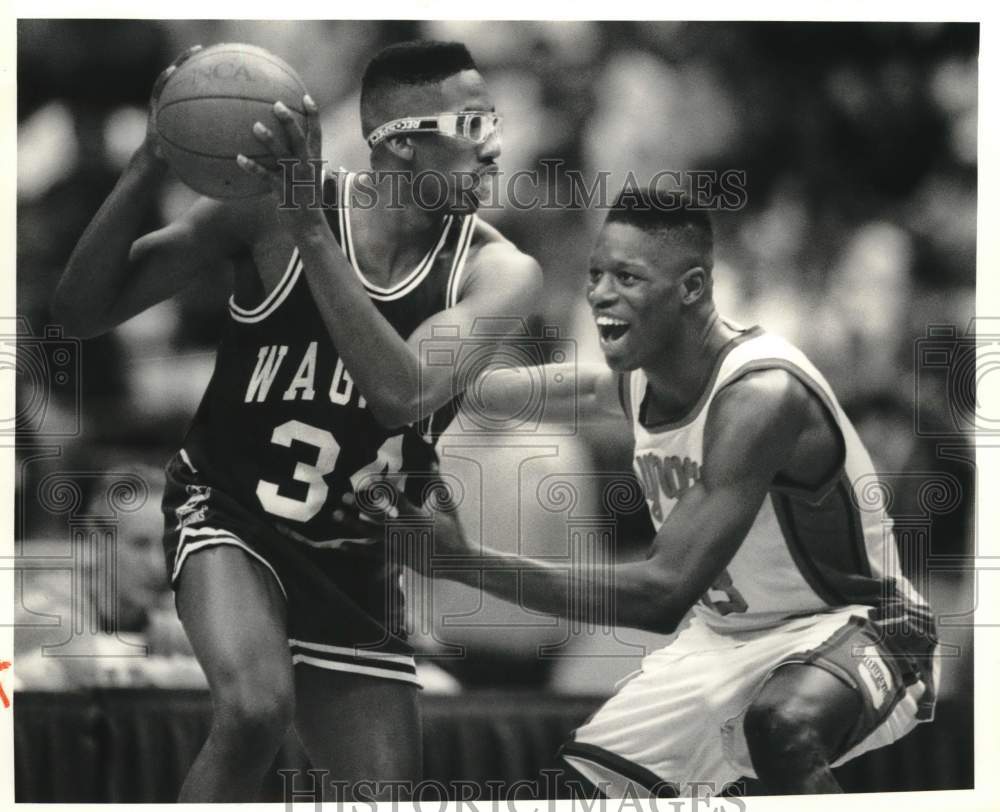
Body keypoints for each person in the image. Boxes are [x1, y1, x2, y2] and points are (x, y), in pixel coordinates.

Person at [52, 40, 541, 802]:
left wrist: (312, 232)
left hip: (354, 558)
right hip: (232, 513)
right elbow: (79, 313)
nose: (495, 146)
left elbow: (401, 394)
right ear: (405, 143)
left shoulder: (497, 271)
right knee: (253, 711)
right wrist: (153, 159)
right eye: (473, 124)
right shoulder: (265, 213)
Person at [339, 187, 940, 797]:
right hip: (731, 640)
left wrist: (463, 562)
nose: (599, 293)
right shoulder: (636, 386)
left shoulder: (761, 397)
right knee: (585, 788)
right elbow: (478, 390)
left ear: (693, 289)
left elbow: (661, 592)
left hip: (865, 627)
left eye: (627, 276)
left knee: (784, 726)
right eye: (596, 274)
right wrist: (388, 361)